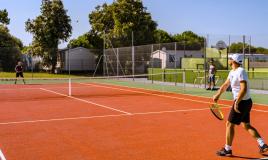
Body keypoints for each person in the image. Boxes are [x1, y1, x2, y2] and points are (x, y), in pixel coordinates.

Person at [213, 54, 268, 156]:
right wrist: (217, 95)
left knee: (229, 124)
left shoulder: (240, 71)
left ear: (233, 61)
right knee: (246, 125)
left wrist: (237, 102)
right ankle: (262, 144)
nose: (228, 60)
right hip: (245, 102)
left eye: (230, 58)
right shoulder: (232, 72)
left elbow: (244, 88)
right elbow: (225, 85)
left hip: (241, 102)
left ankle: (227, 149)